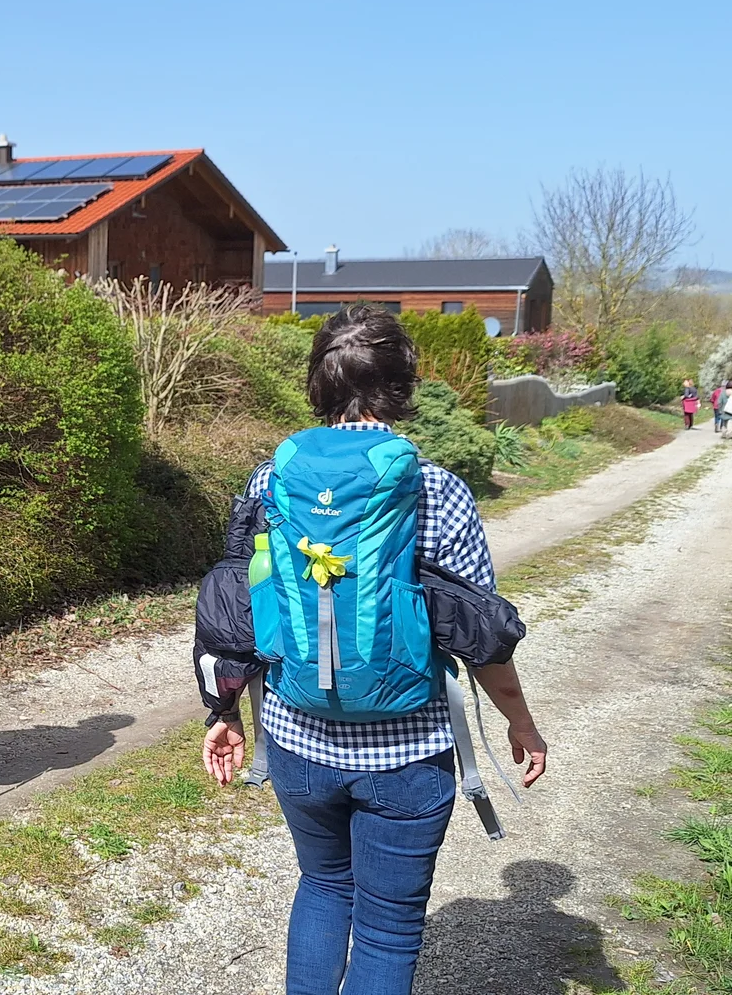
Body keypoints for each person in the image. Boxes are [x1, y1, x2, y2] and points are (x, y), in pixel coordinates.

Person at [200, 305, 549, 995]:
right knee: (388, 931)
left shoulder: (269, 482)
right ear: (402, 385)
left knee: (322, 887)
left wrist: (223, 712)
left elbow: (241, 607)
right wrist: (521, 720)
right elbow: (479, 637)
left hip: (298, 739)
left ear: (317, 383)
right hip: (406, 755)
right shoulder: (437, 490)